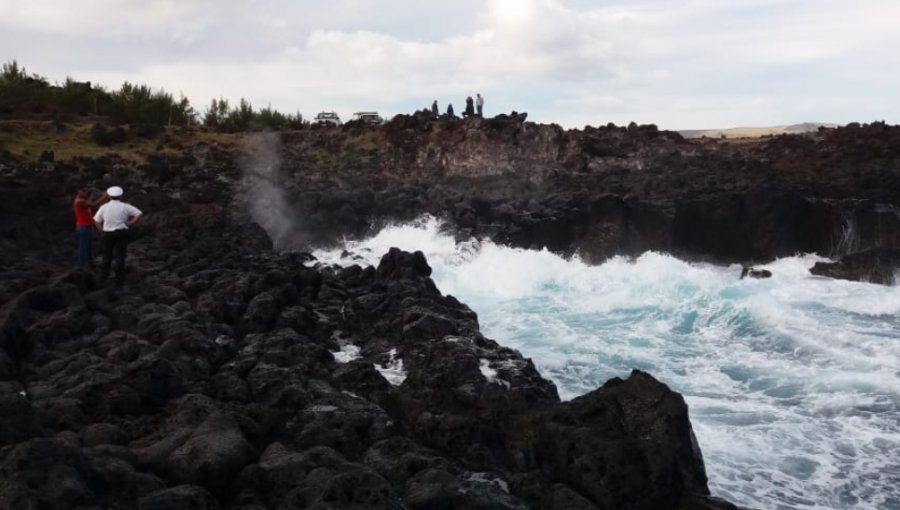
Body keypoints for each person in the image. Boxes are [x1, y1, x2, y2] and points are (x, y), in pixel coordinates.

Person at [93, 186, 142, 286]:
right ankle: (119, 280)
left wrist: (101, 230)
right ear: (120, 196)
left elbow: (96, 220)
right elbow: (139, 213)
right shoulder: (125, 206)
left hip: (107, 233)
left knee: (107, 256)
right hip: (121, 233)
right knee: (120, 257)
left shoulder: (104, 207)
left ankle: (103, 277)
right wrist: (130, 223)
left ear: (109, 196)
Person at [72, 187, 108, 269]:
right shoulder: (80, 201)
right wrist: (105, 195)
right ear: (78, 191)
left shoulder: (83, 200)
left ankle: (90, 264)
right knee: (83, 247)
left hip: (86, 226)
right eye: (83, 191)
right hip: (83, 227)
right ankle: (82, 266)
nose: (86, 192)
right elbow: (95, 204)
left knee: (88, 247)